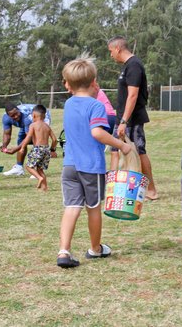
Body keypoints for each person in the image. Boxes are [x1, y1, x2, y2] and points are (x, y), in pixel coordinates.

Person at [57, 55, 132, 268]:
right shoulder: (96, 106)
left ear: (68, 84)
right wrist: (121, 145)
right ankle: (96, 249)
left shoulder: (69, 104)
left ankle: (64, 251)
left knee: (72, 207)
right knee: (93, 208)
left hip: (69, 166)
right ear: (93, 82)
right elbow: (97, 132)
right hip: (90, 166)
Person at [107, 36, 158, 200]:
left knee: (139, 152)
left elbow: (133, 95)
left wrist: (124, 121)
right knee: (115, 150)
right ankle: (113, 188)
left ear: (118, 49)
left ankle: (151, 190)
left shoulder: (134, 65)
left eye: (110, 52)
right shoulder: (126, 66)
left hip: (132, 119)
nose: (111, 56)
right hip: (121, 117)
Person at [1, 103, 52, 176]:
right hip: (25, 124)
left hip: (42, 116)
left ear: (19, 111)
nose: (15, 116)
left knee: (38, 142)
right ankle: (19, 168)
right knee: (20, 140)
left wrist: (15, 149)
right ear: (8, 116)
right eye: (12, 116)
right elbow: (7, 134)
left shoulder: (27, 117)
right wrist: (4, 146)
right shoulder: (6, 118)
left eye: (16, 113)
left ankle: (38, 170)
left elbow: (29, 137)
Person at [18, 105, 57, 191]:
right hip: (46, 149)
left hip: (38, 149)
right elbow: (54, 139)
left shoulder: (33, 125)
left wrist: (22, 147)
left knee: (29, 167)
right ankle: (45, 188)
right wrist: (52, 149)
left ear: (34, 115)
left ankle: (39, 178)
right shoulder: (47, 126)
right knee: (40, 169)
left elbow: (28, 137)